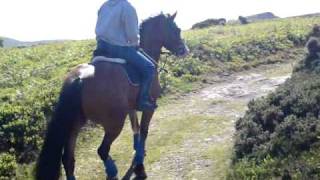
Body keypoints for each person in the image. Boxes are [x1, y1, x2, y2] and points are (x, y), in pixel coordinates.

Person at [94, 0, 157, 111]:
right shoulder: (127, 7)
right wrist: (135, 44)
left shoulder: (104, 6)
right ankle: (143, 101)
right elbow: (132, 34)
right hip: (118, 48)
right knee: (149, 68)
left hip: (101, 47)